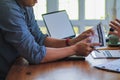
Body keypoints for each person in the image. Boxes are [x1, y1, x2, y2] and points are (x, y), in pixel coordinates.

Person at [0, 0, 100, 79]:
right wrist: (74, 49)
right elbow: (35, 53)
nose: (37, 1)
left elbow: (39, 38)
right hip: (6, 73)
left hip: (17, 66)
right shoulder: (7, 8)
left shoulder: (25, 4)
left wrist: (71, 42)